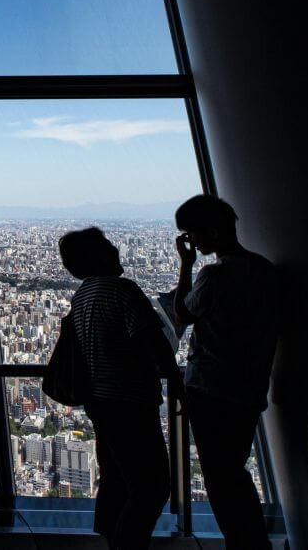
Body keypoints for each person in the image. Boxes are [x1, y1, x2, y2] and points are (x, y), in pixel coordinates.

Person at [60, 227, 179, 550]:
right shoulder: (122, 290)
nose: (115, 249)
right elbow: (151, 342)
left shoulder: (82, 295)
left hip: (100, 402)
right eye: (107, 246)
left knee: (116, 482)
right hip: (131, 401)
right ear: (95, 255)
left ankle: (113, 540)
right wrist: (175, 378)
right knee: (151, 487)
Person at [172, 194, 279, 550]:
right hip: (248, 390)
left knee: (220, 479)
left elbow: (182, 316)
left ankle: (244, 543)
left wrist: (186, 264)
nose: (194, 242)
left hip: (210, 390)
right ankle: (251, 542)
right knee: (234, 472)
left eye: (194, 234)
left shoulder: (214, 276)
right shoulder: (266, 270)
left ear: (213, 232)